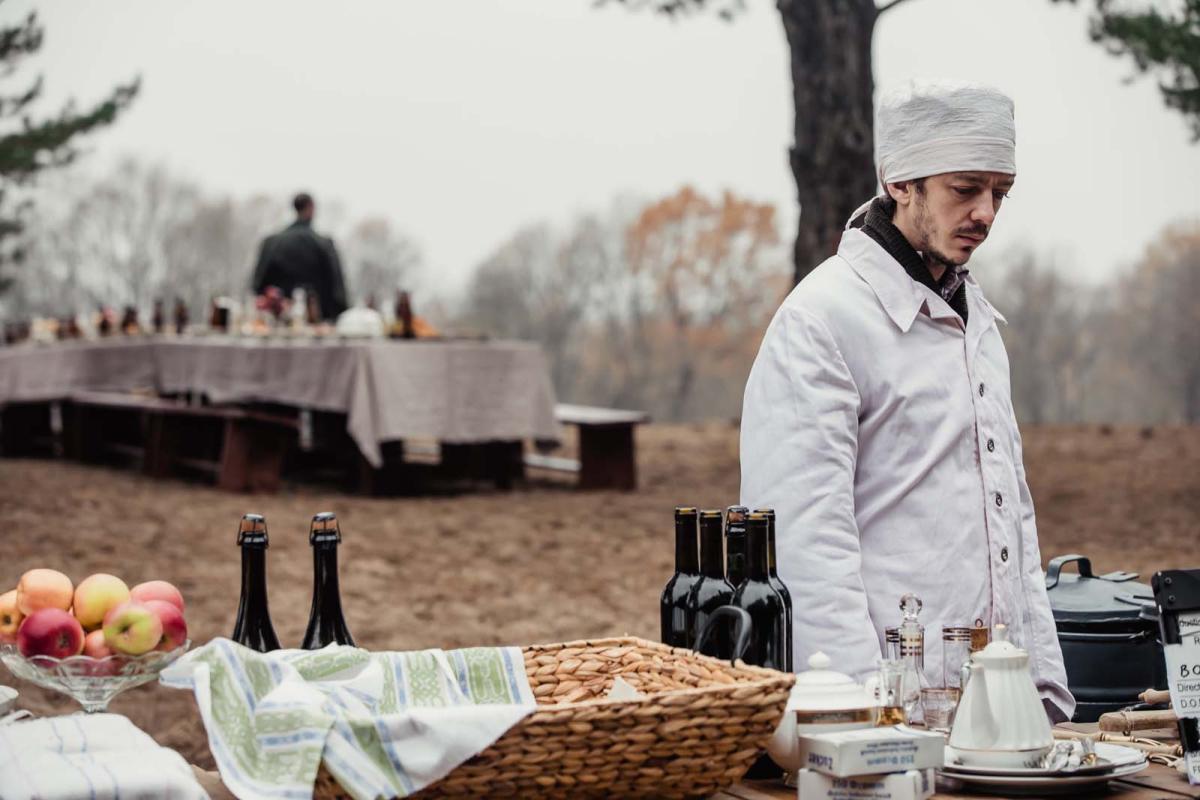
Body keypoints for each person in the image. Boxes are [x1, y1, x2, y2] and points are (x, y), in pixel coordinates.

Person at [740, 81, 1073, 721]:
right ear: (899, 182)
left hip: (995, 703)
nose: (986, 213)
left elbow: (1012, 517)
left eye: (999, 193)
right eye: (965, 188)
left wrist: (1043, 691)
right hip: (888, 707)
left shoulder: (976, 322)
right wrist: (863, 724)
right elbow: (805, 541)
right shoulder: (821, 321)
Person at [251, 193, 348, 321]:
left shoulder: (272, 243)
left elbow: (258, 285)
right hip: (317, 324)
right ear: (311, 208)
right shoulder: (324, 244)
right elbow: (337, 291)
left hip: (278, 322)